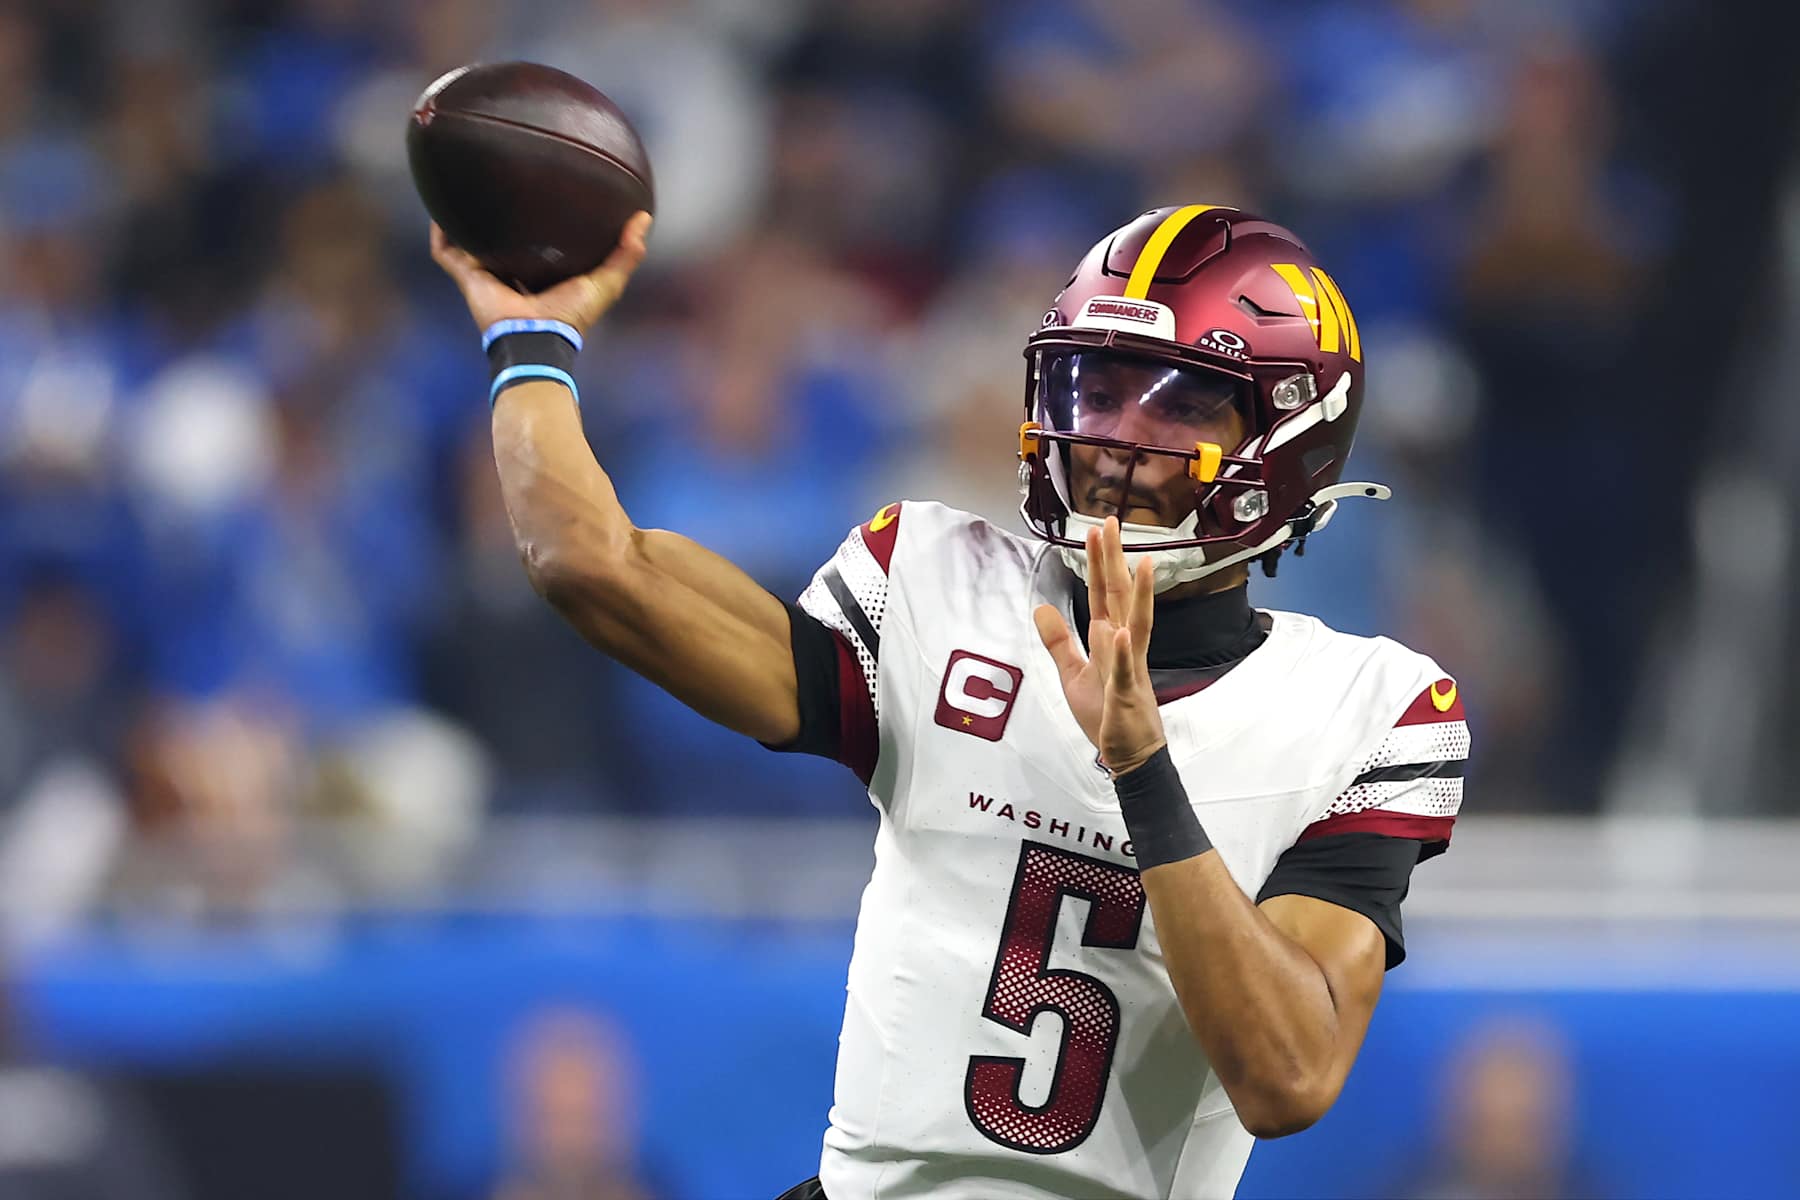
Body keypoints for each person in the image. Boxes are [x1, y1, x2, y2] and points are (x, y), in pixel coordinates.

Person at [430, 202, 1468, 1200]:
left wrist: (1144, 773)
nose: (1116, 437)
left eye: (1181, 401)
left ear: (1291, 439)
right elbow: (587, 562)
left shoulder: (1371, 711)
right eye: (1097, 387)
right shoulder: (937, 582)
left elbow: (1288, 1076)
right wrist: (530, 340)